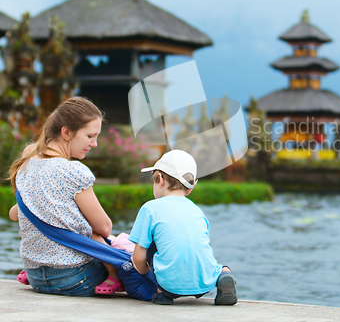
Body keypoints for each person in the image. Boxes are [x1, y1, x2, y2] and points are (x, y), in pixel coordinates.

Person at [9, 96, 123, 296]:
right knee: (109, 240)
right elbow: (104, 227)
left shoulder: (26, 164)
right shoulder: (71, 170)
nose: (94, 143)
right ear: (66, 132)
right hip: (74, 278)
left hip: (36, 277)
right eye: (90, 136)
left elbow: (15, 213)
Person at [129, 150, 238, 306]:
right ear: (190, 189)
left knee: (151, 244)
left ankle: (162, 294)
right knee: (222, 268)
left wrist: (144, 271)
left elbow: (139, 258)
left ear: (160, 179)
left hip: (169, 285)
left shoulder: (150, 209)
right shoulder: (197, 211)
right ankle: (224, 276)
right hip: (205, 283)